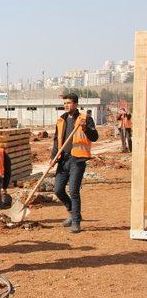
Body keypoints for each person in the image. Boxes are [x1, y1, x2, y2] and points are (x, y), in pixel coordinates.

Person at [52, 93, 98, 233]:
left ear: (76, 104)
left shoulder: (85, 119)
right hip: (63, 159)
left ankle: (76, 222)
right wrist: (53, 157)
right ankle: (72, 212)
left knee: (73, 191)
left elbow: (94, 137)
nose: (66, 105)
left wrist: (85, 128)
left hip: (78, 160)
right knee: (58, 190)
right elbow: (56, 140)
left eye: (69, 103)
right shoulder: (61, 120)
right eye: (64, 103)